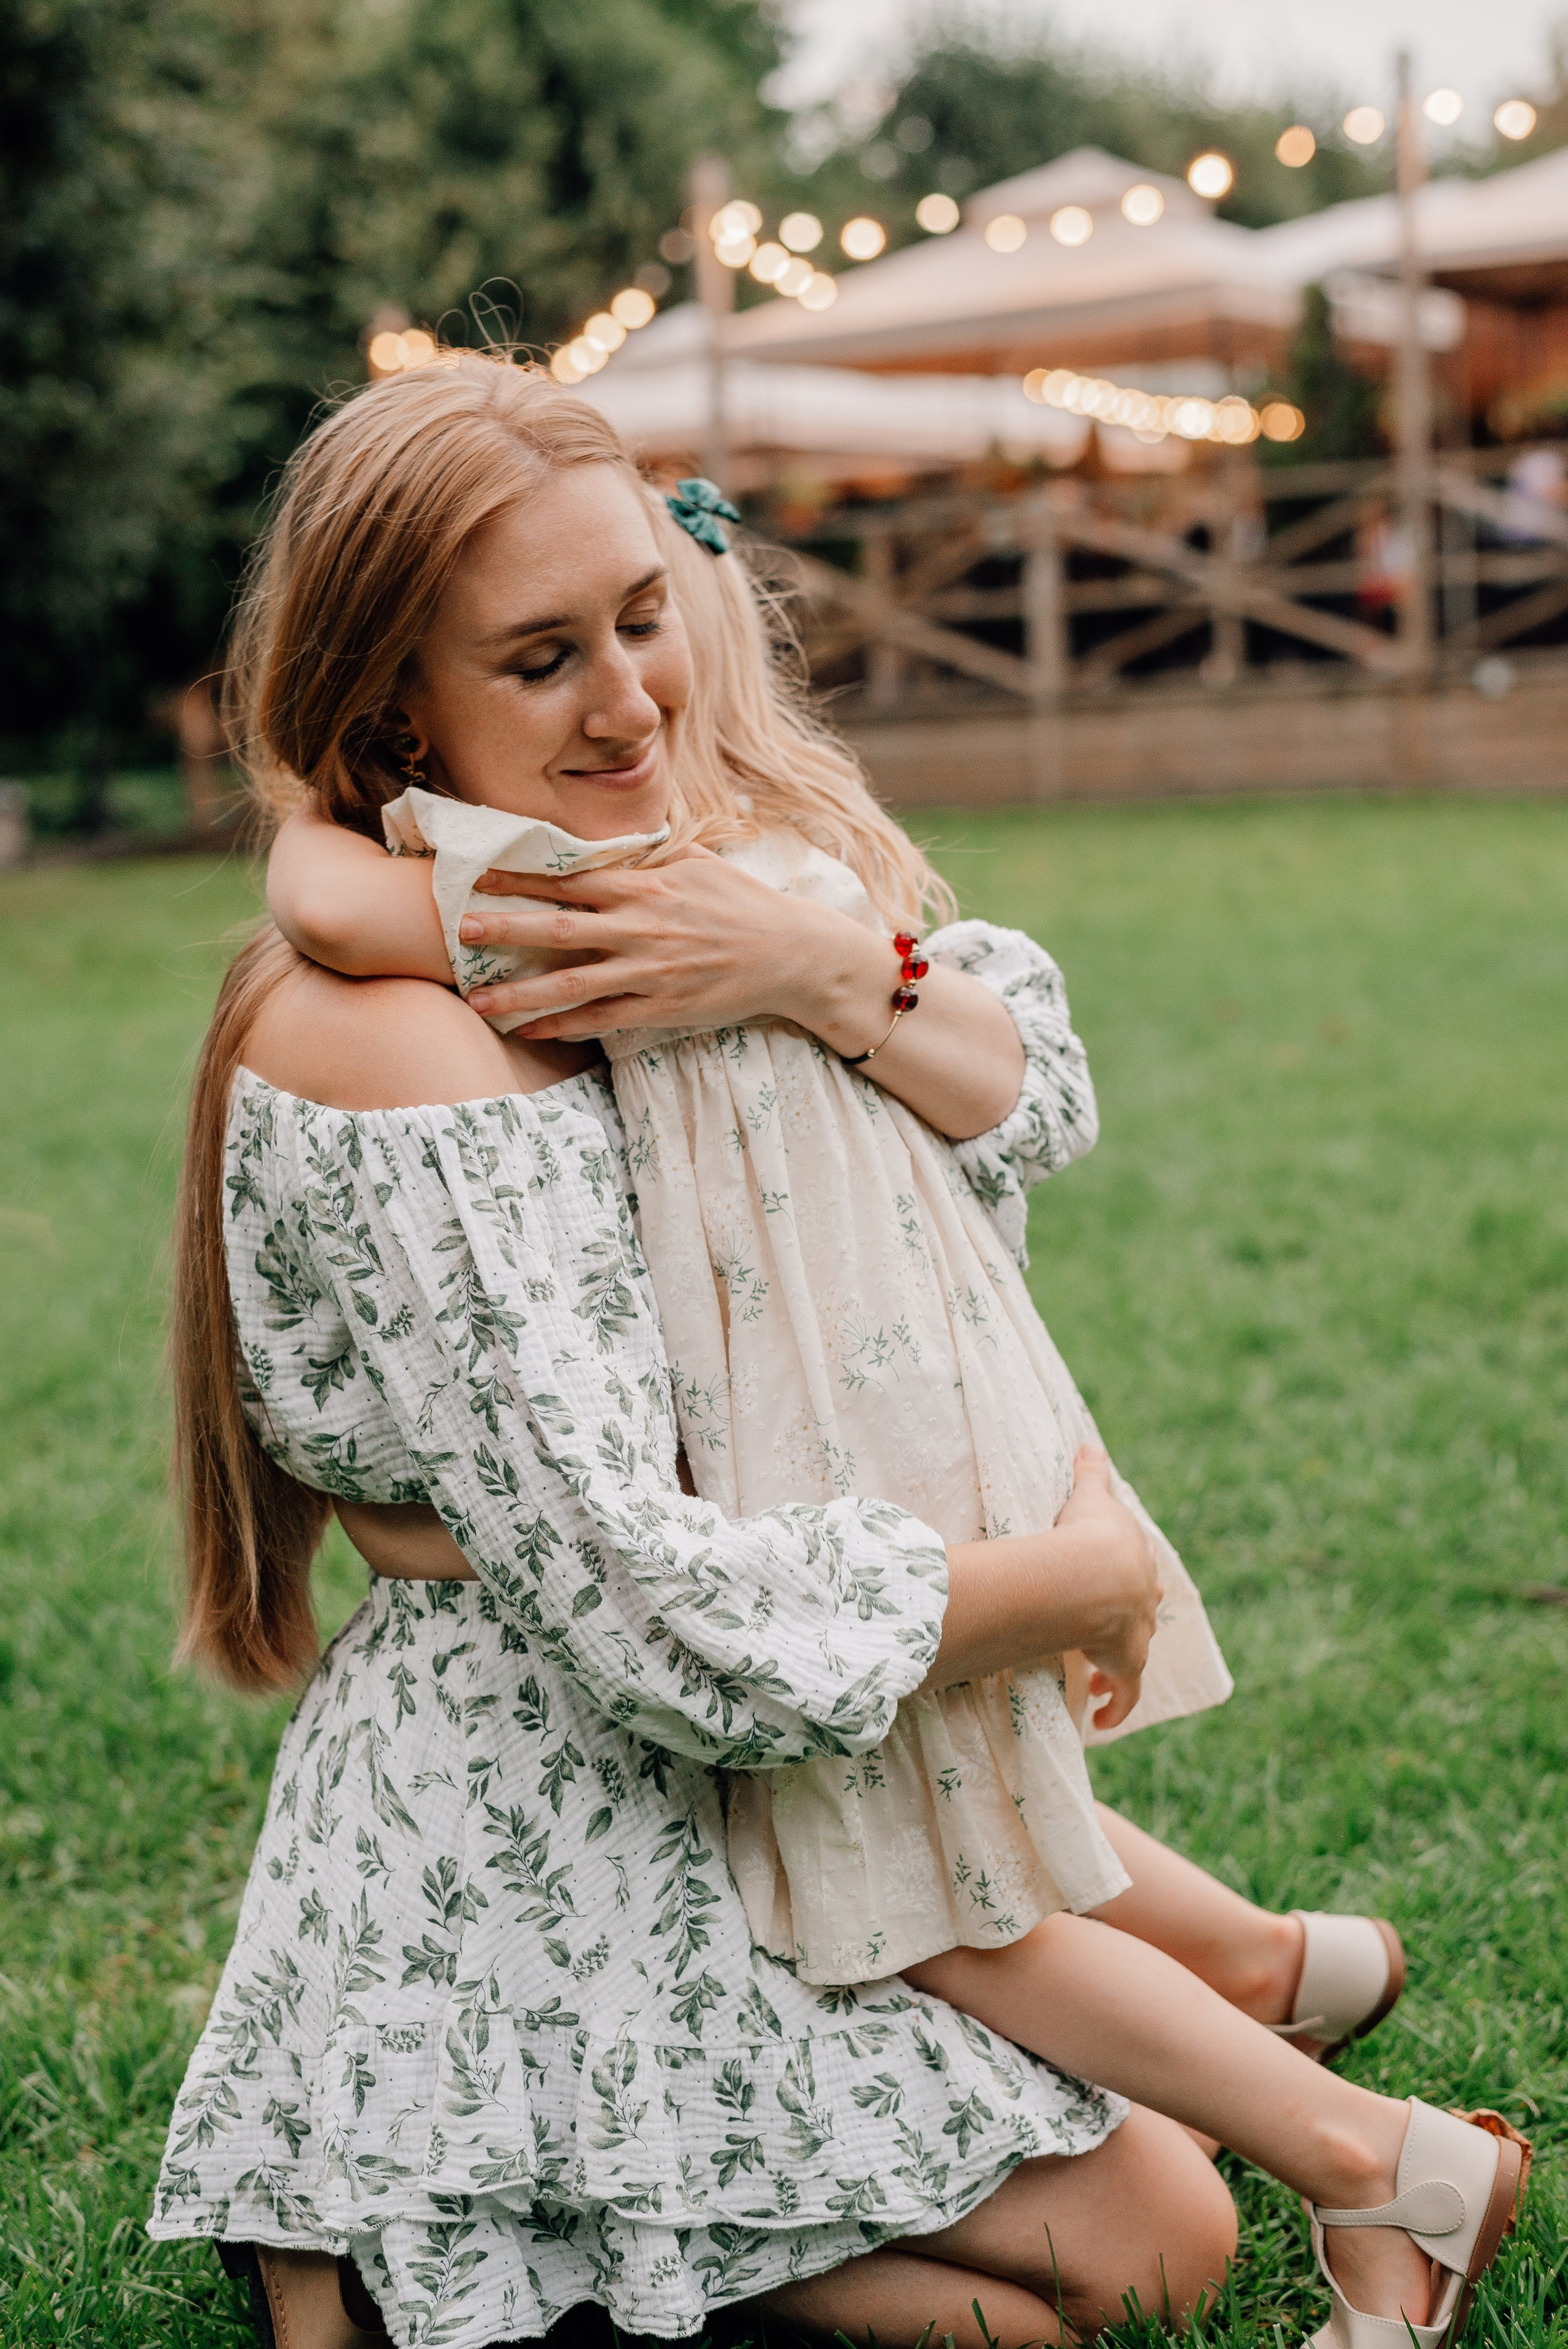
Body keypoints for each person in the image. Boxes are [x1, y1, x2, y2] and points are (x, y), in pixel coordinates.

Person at [154, 352, 1527, 2349]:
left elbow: (1020, 1079)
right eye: (541, 657)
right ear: (392, 710)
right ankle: (415, 2207)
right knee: (1110, 2273)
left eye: (643, 617)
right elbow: (645, 1610)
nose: (629, 695)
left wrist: (821, 966)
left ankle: (1241, 1989)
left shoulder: (630, 905)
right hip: (561, 1753)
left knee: (1162, 2233)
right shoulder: (413, 1023)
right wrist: (1068, 1567)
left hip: (744, 1696)